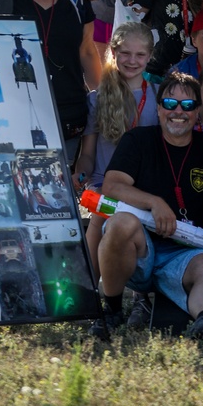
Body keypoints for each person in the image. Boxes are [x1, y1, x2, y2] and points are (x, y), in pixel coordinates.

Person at [93, 71, 203, 341]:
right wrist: (154, 203)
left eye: (187, 105)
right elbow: (112, 186)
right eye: (169, 103)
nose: (178, 111)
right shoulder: (138, 140)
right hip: (140, 249)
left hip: (184, 251)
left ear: (197, 111)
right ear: (158, 108)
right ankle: (112, 310)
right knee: (119, 223)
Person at [75, 22, 160, 281]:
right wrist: (81, 174)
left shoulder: (159, 96)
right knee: (102, 214)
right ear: (113, 51)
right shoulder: (97, 97)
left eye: (140, 55)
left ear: (150, 56)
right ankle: (91, 287)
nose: (132, 61)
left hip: (145, 186)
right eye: (125, 53)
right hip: (105, 184)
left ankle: (136, 291)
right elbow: (88, 154)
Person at [12, 0, 99, 161]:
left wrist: (101, 99)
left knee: (66, 189)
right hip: (20, 110)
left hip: (68, 108)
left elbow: (87, 51)